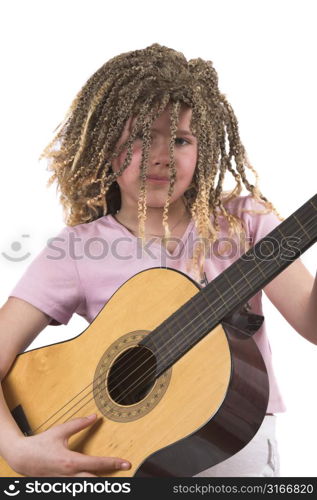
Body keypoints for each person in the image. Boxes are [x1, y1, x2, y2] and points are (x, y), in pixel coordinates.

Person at [0, 43, 316, 478]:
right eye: (139, 140)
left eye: (182, 140)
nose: (161, 156)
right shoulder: (75, 249)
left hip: (237, 453)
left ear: (204, 150)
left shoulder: (243, 222)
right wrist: (15, 449)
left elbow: (312, 325)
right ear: (105, 147)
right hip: (122, 460)